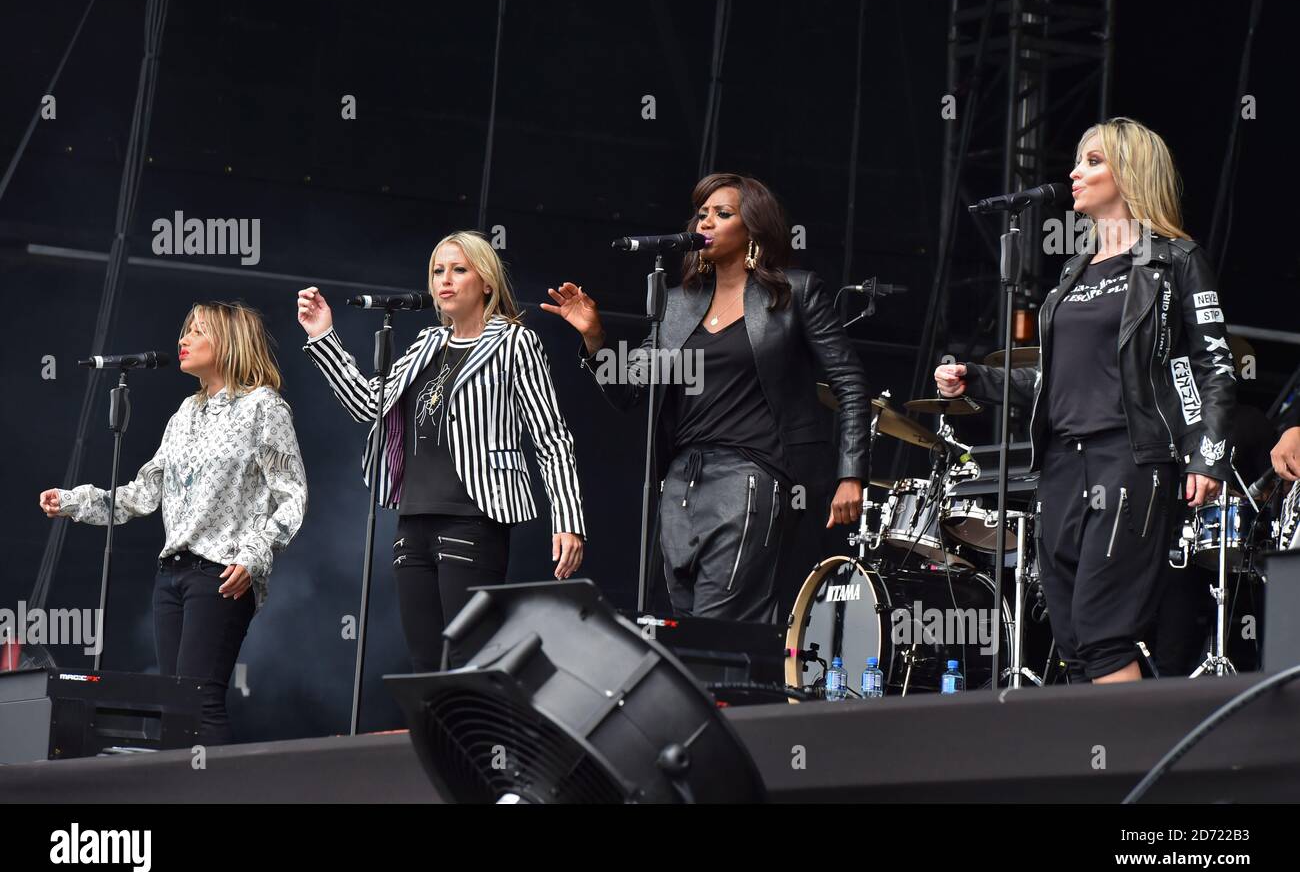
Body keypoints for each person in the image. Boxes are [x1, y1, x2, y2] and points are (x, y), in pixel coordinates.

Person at [934, 117, 1235, 684]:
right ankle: (1103, 758)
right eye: (1077, 161)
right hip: (1062, 465)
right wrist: (977, 378)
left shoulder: (1174, 260)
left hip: (1129, 457)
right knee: (1071, 634)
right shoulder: (1072, 272)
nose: (1075, 172)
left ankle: (1128, 764)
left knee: (1102, 629)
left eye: (1093, 161)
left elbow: (1214, 365)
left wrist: (1207, 455)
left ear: (1130, 172)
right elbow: (1055, 381)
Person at [543, 172, 870, 622]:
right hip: (681, 478)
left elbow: (849, 383)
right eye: (702, 215)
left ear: (752, 228)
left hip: (752, 473)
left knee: (721, 618)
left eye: (722, 213)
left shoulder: (794, 293)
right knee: (683, 619)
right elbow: (629, 391)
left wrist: (851, 474)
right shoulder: (677, 304)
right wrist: (596, 339)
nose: (707, 223)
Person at [297, 230, 585, 670]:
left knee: (471, 660)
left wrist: (567, 520)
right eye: (437, 271)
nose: (444, 280)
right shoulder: (426, 343)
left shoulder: (514, 343)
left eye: (458, 269)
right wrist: (323, 337)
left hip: (472, 519)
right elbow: (367, 406)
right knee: (427, 665)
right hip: (412, 521)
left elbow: (550, 436)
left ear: (487, 281)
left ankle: (486, 739)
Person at [39, 301, 307, 743]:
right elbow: (142, 495)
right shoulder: (185, 413)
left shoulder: (265, 408)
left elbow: (292, 494)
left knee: (199, 701)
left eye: (197, 332)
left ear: (229, 343)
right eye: (184, 331)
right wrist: (73, 501)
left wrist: (255, 555)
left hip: (221, 572)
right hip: (172, 575)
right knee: (175, 705)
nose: (182, 340)